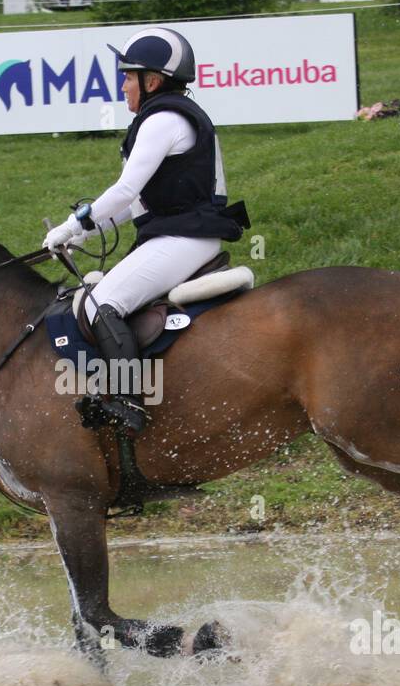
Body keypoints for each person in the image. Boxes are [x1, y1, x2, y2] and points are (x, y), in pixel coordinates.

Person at [43, 27, 250, 435]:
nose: (122, 86)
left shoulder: (164, 119)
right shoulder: (161, 118)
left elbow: (124, 191)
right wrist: (82, 233)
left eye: (128, 76)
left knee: (103, 304)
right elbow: (136, 205)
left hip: (186, 239)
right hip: (178, 234)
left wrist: (71, 223)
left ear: (151, 81)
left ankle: (127, 402)